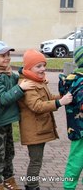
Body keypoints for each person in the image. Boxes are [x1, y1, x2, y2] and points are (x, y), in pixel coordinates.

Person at [17, 49, 72, 190]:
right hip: (33, 130)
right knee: (35, 161)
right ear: (29, 68)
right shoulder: (28, 85)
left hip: (39, 129)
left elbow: (47, 99)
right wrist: (60, 103)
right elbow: (37, 106)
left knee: (37, 160)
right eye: (38, 66)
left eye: (44, 65)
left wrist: (61, 97)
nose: (43, 69)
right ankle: (32, 186)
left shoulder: (38, 81)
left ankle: (30, 183)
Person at [0, 40, 35, 190]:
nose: (6, 58)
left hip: (7, 121)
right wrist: (20, 88)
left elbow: (21, 75)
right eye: (2, 55)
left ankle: (9, 179)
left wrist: (37, 77)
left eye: (8, 54)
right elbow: (3, 99)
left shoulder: (9, 74)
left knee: (9, 153)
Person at [59, 46, 83, 190]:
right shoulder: (80, 83)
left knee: (75, 161)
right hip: (80, 131)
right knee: (75, 162)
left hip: (77, 128)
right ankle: (68, 187)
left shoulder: (75, 80)